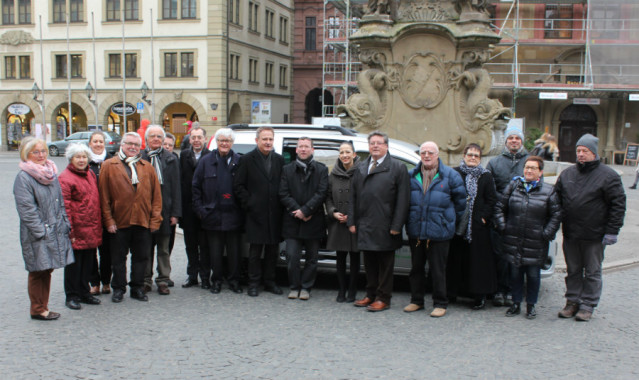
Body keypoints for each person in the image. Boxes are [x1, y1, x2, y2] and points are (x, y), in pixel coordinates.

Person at [555, 134, 626, 321]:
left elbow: (618, 205)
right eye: (578, 150)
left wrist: (612, 231)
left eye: (584, 151)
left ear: (593, 153)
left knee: (593, 271)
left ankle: (587, 304)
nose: (580, 154)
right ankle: (572, 301)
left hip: (595, 235)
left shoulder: (608, 176)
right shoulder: (568, 174)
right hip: (571, 233)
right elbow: (556, 200)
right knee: (573, 269)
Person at [348, 131, 410, 312]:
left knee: (385, 266)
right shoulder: (361, 167)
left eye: (379, 143)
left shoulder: (397, 168)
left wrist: (397, 225)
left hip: (386, 226)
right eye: (372, 143)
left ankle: (384, 298)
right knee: (369, 264)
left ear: (386, 146)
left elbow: (403, 200)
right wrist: (351, 221)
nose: (375, 146)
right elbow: (353, 197)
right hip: (365, 225)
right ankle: (370, 294)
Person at [403, 141, 466, 318]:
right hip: (416, 230)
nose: (426, 156)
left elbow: (461, 205)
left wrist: (448, 222)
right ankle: (416, 300)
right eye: (423, 152)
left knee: (438, 270)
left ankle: (440, 302)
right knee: (416, 269)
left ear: (437, 155)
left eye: (430, 152)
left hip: (439, 232)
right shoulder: (411, 175)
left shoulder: (451, 176)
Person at [494, 156, 562, 319]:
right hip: (513, 239)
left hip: (535, 242)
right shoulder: (514, 186)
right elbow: (499, 207)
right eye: (527, 167)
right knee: (515, 274)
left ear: (540, 172)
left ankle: (531, 305)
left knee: (533, 275)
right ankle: (516, 303)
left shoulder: (548, 190)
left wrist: (546, 234)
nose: (529, 170)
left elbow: (556, 215)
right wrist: (503, 226)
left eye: (533, 168)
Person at [14, 137, 74, 320]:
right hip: (38, 233)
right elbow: (27, 211)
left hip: (54, 229)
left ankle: (43, 306)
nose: (41, 155)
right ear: (27, 154)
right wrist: (42, 231)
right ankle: (38, 309)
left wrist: (64, 223)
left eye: (43, 151)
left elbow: (60, 202)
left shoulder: (50, 173)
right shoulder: (24, 178)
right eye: (36, 152)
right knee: (37, 269)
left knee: (46, 268)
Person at [99, 132, 162, 303]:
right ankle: (118, 288)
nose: (132, 147)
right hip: (119, 221)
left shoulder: (147, 167)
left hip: (142, 220)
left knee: (141, 257)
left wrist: (155, 219)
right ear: (122, 144)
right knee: (118, 259)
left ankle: (137, 288)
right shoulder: (108, 165)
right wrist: (109, 221)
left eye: (136, 144)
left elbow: (156, 197)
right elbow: (104, 197)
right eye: (129, 144)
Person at [234, 126, 285, 297]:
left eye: (270, 139)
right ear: (257, 141)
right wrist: (250, 203)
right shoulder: (247, 160)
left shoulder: (279, 160)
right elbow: (238, 186)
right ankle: (253, 283)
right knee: (255, 251)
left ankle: (270, 281)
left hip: (275, 213)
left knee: (272, 251)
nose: (268, 142)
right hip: (255, 214)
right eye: (265, 139)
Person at [192, 128, 244, 294]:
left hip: (234, 215)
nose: (224, 143)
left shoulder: (239, 161)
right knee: (215, 253)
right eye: (221, 140)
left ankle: (234, 281)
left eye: (227, 141)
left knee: (235, 252)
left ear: (232, 143)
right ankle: (217, 281)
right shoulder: (206, 161)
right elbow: (196, 187)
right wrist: (200, 210)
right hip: (212, 215)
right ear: (216, 142)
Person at [447, 143, 497, 310]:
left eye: (476, 155)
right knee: (455, 260)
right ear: (464, 156)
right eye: (470, 155)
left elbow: (491, 200)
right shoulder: (454, 173)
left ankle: (478, 296)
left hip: (477, 227)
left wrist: (483, 218)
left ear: (480, 158)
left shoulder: (486, 176)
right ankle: (452, 293)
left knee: (478, 263)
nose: (473, 158)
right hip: (457, 224)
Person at [280, 137, 328, 301]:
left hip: (313, 221)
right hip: (292, 221)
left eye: (306, 147)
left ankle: (306, 287)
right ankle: (294, 287)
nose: (303, 149)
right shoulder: (287, 170)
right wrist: (298, 211)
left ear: (312, 150)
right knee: (292, 257)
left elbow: (321, 193)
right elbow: (283, 193)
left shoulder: (321, 170)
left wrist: (307, 210)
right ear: (296, 150)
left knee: (311, 259)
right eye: (300, 146)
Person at [486, 126, 529, 307]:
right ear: (505, 141)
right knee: (500, 257)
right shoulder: (494, 163)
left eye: (517, 138)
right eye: (510, 138)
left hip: (522, 218)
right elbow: (489, 190)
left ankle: (513, 291)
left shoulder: (530, 162)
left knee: (517, 258)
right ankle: (499, 290)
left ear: (521, 141)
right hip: (499, 218)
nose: (513, 141)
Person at [59, 143, 103, 310]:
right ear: (71, 159)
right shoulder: (65, 178)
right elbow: (65, 206)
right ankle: (72, 295)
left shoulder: (90, 174)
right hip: (76, 228)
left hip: (91, 226)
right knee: (74, 265)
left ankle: (85, 293)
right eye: (78, 157)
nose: (81, 160)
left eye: (84, 157)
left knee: (88, 263)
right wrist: (69, 229)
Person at [141, 125, 181, 295]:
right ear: (146, 139)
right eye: (152, 136)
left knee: (163, 249)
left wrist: (175, 214)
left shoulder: (171, 159)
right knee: (145, 248)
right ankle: (145, 280)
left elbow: (176, 188)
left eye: (159, 136)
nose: (156, 139)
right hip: (144, 211)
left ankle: (163, 279)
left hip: (165, 210)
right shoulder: (138, 157)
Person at [326, 141, 361, 303]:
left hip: (355, 222)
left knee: (355, 258)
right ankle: (341, 290)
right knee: (340, 258)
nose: (344, 155)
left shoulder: (361, 172)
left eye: (347, 152)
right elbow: (327, 197)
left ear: (354, 154)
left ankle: (352, 290)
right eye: (341, 152)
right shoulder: (333, 174)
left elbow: (364, 197)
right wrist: (333, 212)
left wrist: (353, 216)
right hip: (338, 222)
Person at [179, 125, 211, 288]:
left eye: (200, 137)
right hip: (188, 209)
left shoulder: (211, 156)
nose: (197, 140)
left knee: (205, 246)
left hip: (205, 209)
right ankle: (192, 276)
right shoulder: (183, 155)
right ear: (190, 140)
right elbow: (179, 182)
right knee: (190, 245)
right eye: (194, 137)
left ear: (205, 139)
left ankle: (205, 277)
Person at [87, 131, 113, 295]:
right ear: (90, 144)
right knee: (91, 252)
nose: (98, 144)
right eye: (95, 141)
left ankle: (106, 282)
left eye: (100, 141)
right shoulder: (83, 161)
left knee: (107, 251)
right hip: (90, 213)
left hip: (108, 212)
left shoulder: (111, 160)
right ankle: (94, 282)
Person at [164, 132, 179, 263]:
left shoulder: (175, 160)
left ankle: (164, 275)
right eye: (165, 144)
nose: (167, 147)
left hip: (169, 210)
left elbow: (177, 189)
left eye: (170, 145)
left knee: (167, 246)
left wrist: (176, 213)